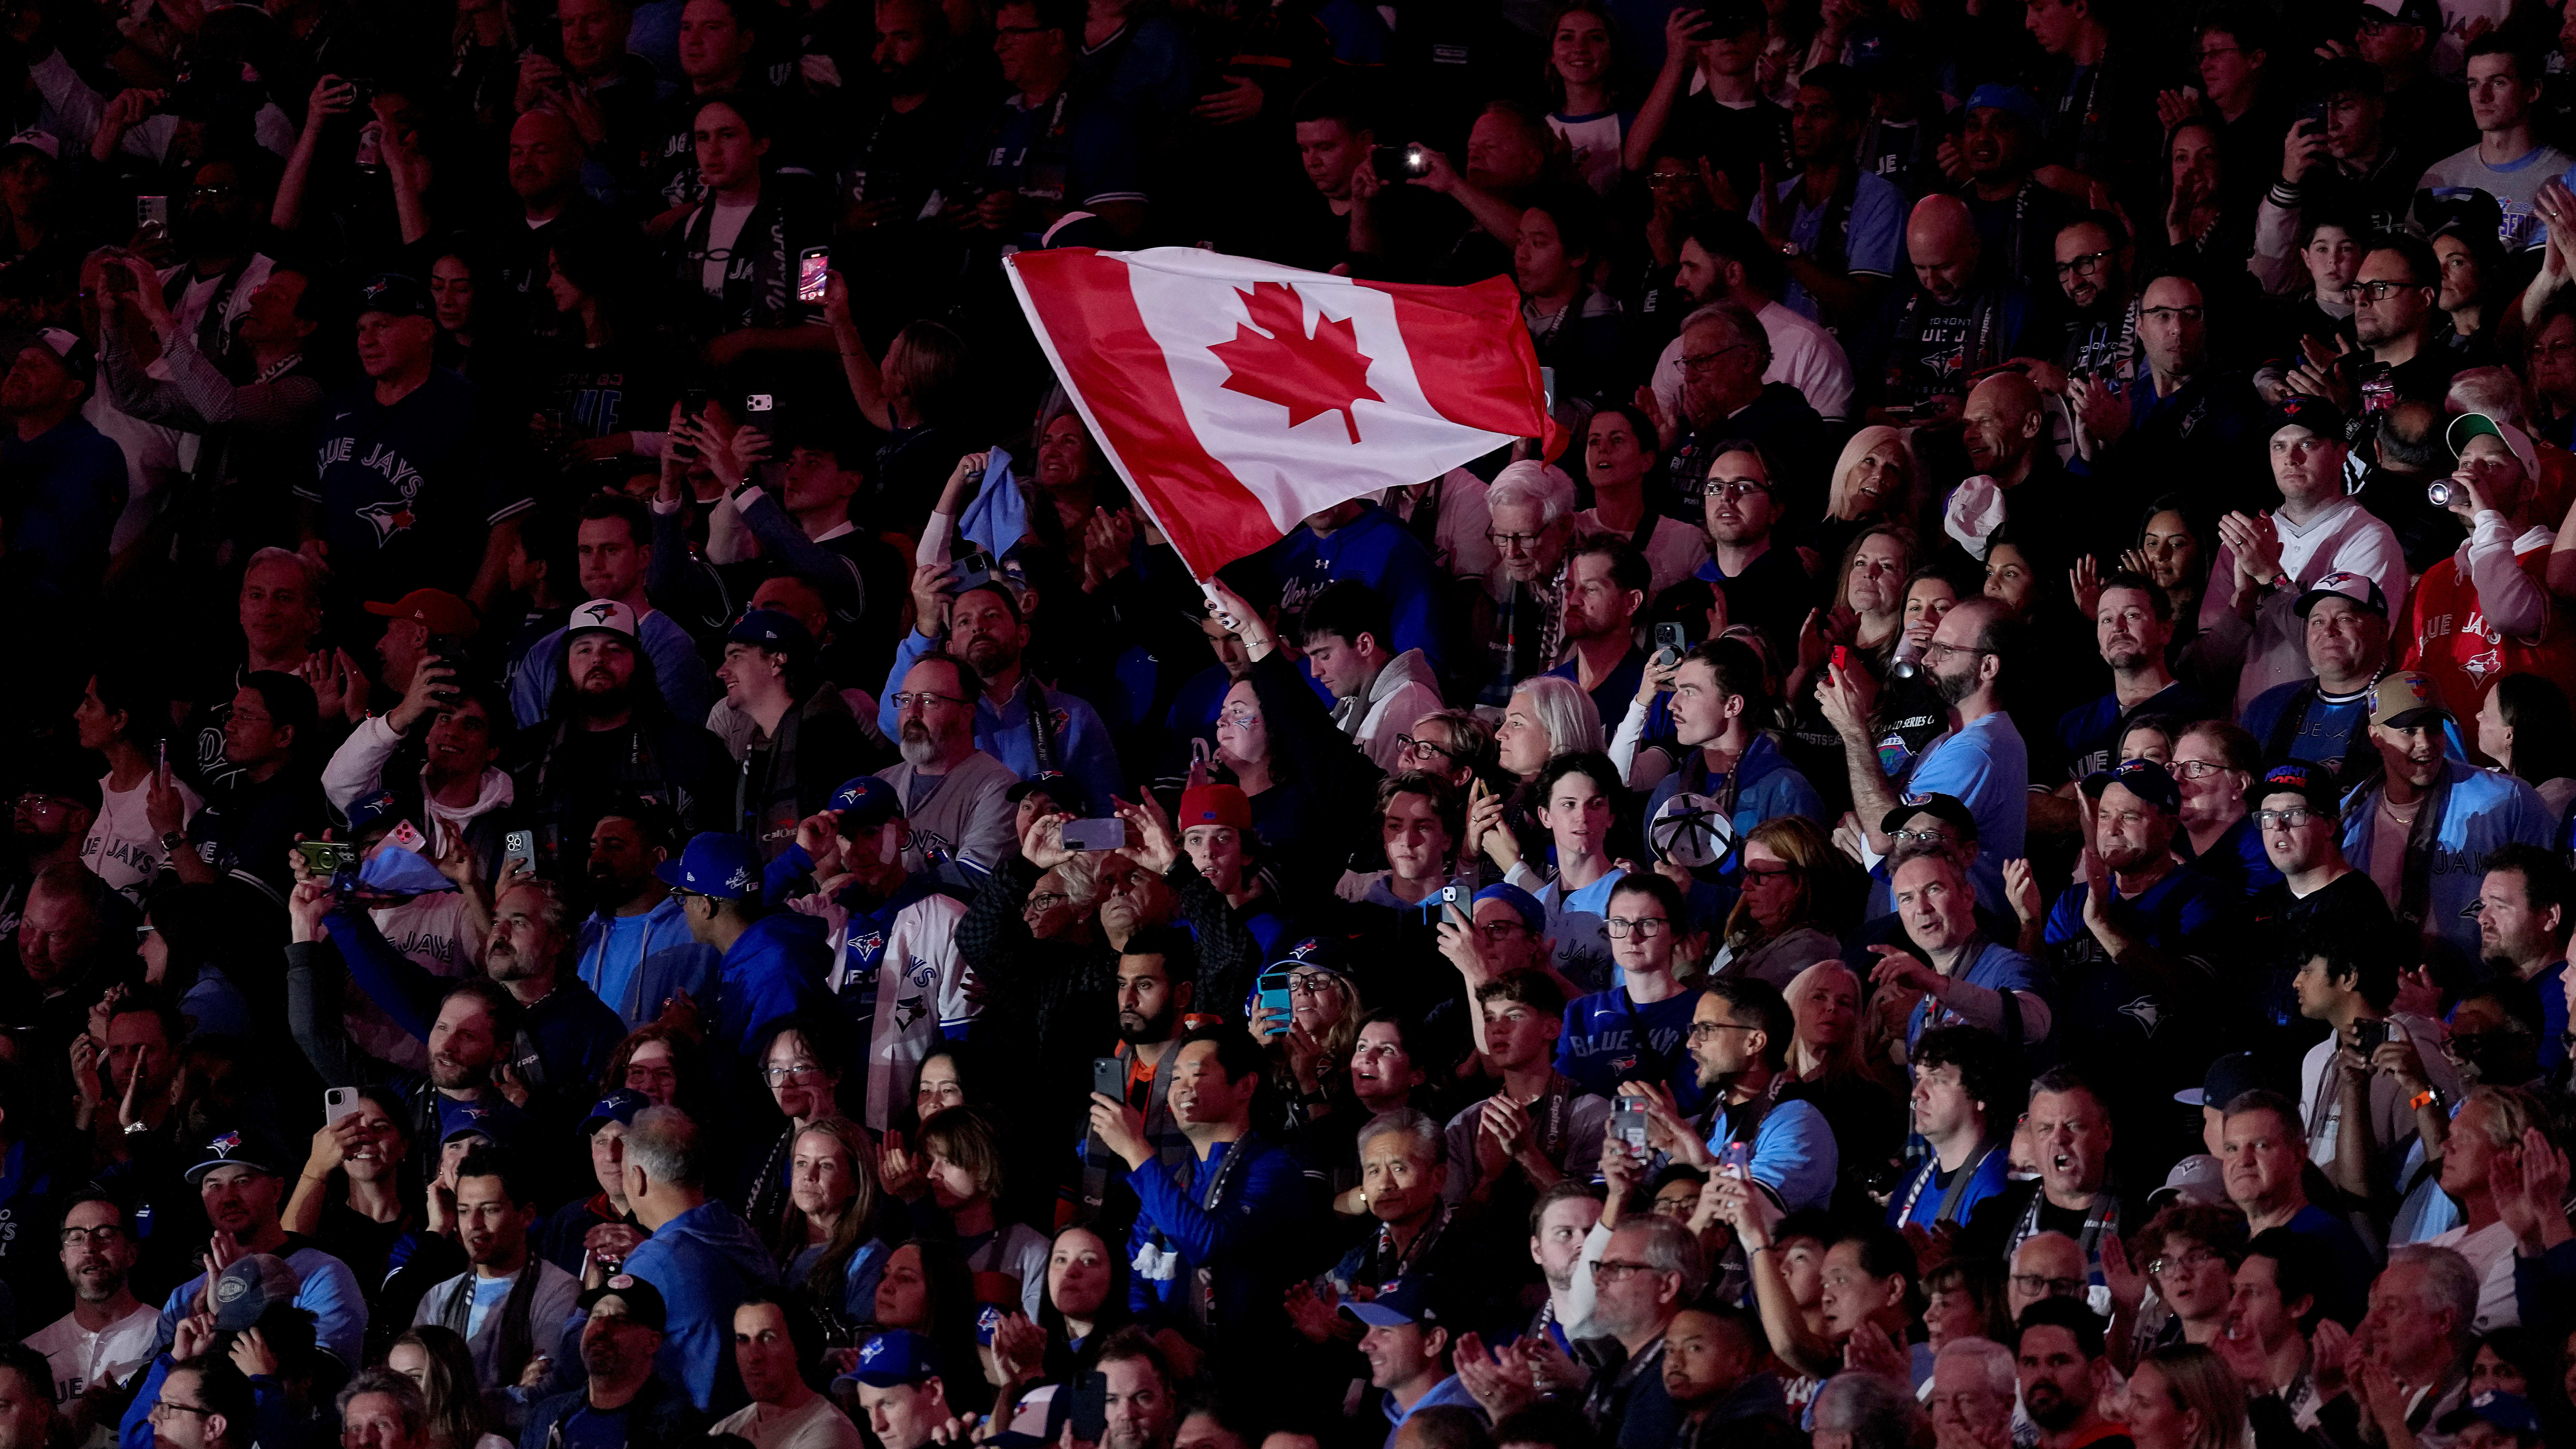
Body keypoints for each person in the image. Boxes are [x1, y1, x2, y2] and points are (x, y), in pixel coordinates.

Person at [2340, 672, 2554, 968]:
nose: (2425, 743)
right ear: (2376, 737)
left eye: (2433, 728)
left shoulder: (2508, 800)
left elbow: (2555, 899)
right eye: (2408, 731)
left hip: (2487, 995)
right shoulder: (2348, 818)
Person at [612, 1107, 778, 1412]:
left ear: (638, 1178)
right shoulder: (741, 1233)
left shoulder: (653, 1263)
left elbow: (601, 1357)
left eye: (623, 1173)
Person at [409, 1147, 579, 1428]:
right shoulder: (439, 1297)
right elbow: (412, 1393)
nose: (474, 1225)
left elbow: (545, 1394)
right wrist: (511, 1392)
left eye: (490, 1210)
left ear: (526, 1215)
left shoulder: (558, 1290)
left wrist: (445, 1399)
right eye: (464, 1211)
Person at [519, 1274, 708, 1449]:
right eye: (597, 1317)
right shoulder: (545, 1417)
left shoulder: (681, 1430)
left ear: (652, 1343)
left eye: (621, 1320)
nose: (602, 1328)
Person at [26, 1196, 156, 1421]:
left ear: (131, 1253)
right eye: (76, 1238)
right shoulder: (32, 1355)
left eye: (105, 1235)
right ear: (64, 1258)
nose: (89, 1247)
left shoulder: (167, 1337)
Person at [1300, 580, 1445, 773]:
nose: (1315, 672)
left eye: (1325, 656)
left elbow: (1391, 797)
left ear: (1365, 645)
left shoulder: (1408, 703)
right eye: (1310, 658)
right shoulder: (1349, 705)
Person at [1889, 1027, 2014, 1233]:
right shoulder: (1908, 1186)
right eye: (1920, 1079)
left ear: (1980, 1093)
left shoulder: (1997, 1185)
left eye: (1939, 1080)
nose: (1918, 1092)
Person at [710, 1291, 864, 1449]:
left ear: (798, 1347)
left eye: (768, 1338)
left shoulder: (829, 1432)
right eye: (743, 1340)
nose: (753, 1357)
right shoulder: (726, 1429)